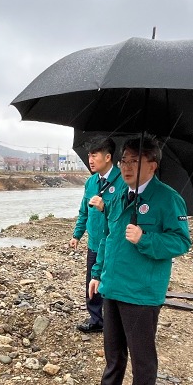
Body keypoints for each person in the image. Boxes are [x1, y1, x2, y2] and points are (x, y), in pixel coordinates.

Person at [82, 135, 191, 385]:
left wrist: (145, 238)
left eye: (134, 161)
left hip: (142, 291)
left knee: (142, 354)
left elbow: (182, 241)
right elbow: (107, 237)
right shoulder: (119, 196)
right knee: (113, 348)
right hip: (113, 285)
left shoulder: (168, 199)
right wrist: (97, 272)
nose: (126, 167)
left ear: (153, 165)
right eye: (123, 161)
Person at [68, 137, 121, 333]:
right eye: (89, 155)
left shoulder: (123, 180)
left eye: (94, 155)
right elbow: (84, 211)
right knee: (92, 281)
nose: (90, 160)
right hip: (94, 243)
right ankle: (96, 319)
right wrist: (77, 234)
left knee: (112, 281)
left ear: (108, 157)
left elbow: (123, 215)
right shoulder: (91, 183)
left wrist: (105, 207)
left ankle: (115, 321)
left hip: (115, 243)